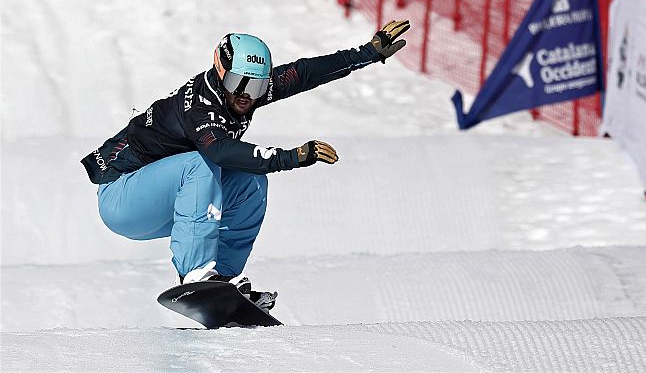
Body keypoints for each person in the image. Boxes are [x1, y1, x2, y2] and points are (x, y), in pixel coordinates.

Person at [81, 20, 410, 312]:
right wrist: (289, 157)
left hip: (165, 204)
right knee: (201, 163)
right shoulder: (200, 106)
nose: (245, 96)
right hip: (120, 199)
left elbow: (305, 72)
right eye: (239, 83)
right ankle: (195, 272)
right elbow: (220, 151)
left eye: (255, 86)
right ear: (221, 72)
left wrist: (367, 52)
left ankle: (221, 278)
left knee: (253, 182)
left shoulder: (245, 89)